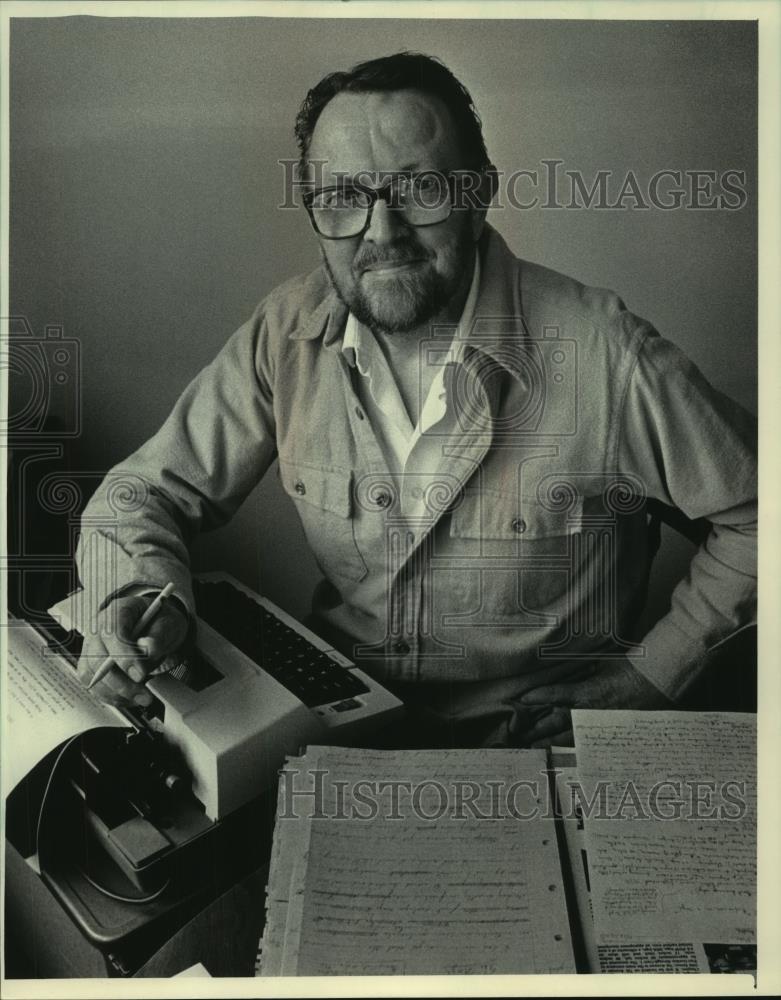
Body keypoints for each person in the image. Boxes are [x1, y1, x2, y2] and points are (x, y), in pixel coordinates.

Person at [74, 52, 756, 748]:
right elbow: (137, 493)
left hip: (527, 749)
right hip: (336, 728)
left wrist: (654, 675)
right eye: (343, 198)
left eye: (420, 189)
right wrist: (137, 592)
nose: (381, 232)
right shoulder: (285, 330)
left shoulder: (609, 355)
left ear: (478, 192)